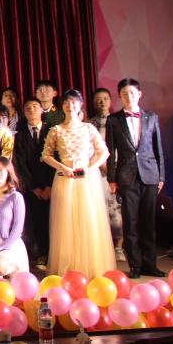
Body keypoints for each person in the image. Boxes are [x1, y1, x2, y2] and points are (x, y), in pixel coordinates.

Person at [41, 89, 114, 278]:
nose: (70, 105)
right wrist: (62, 167)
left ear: (80, 104)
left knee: (89, 220)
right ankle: (69, 268)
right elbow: (46, 155)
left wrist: (90, 168)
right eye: (66, 102)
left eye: (74, 102)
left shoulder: (89, 128)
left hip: (87, 180)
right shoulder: (56, 130)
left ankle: (91, 267)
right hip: (64, 179)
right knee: (66, 223)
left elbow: (104, 152)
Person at [106, 78, 166, 279]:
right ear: (120, 96)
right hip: (126, 176)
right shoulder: (113, 120)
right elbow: (110, 153)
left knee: (148, 222)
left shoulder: (152, 117)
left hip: (150, 174)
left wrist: (161, 175)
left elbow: (158, 148)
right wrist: (112, 179)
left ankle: (150, 264)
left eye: (132, 93)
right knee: (130, 223)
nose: (128, 97)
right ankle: (135, 265)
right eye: (124, 94)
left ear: (139, 94)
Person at [13, 97, 54, 270]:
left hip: (52, 184)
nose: (31, 110)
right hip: (32, 187)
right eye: (28, 108)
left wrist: (49, 185)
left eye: (35, 107)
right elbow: (20, 164)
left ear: (42, 110)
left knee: (53, 220)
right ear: (24, 112)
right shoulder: (19, 136)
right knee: (35, 221)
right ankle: (41, 254)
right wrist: (34, 187)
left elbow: (57, 158)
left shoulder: (52, 131)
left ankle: (54, 254)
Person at [87, 87, 125, 262]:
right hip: (97, 171)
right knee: (100, 208)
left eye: (105, 98)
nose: (101, 102)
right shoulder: (90, 124)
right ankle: (103, 246)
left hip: (118, 169)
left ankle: (119, 247)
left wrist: (115, 169)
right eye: (98, 99)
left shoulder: (118, 120)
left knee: (118, 209)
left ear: (110, 100)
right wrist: (101, 165)